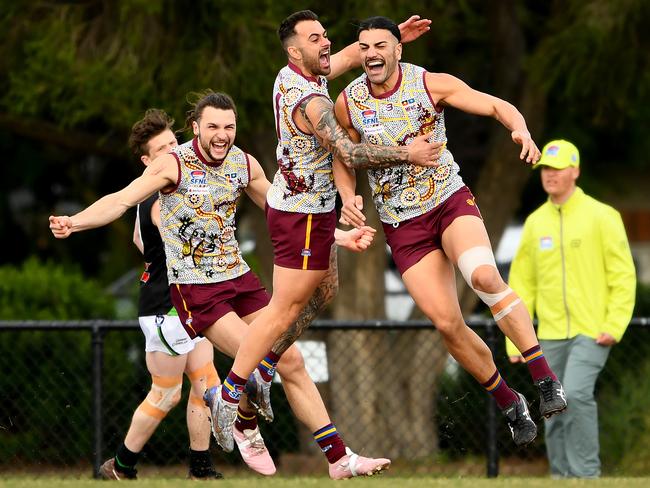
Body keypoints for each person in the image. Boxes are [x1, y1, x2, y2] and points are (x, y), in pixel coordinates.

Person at [50, 91, 390, 479]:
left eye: (229, 127)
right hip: (196, 289)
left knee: (289, 359)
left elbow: (285, 212)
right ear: (195, 128)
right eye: (212, 126)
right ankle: (244, 423)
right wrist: (75, 222)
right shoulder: (172, 165)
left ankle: (339, 459)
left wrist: (338, 237)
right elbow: (121, 200)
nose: (222, 134)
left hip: (239, 278)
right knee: (258, 358)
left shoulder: (244, 163)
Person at [210, 10, 442, 460]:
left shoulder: (299, 69)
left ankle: (261, 371)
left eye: (325, 36)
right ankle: (230, 392)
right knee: (282, 309)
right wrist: (409, 152)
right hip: (299, 214)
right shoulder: (310, 101)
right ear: (295, 50)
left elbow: (347, 59)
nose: (326, 44)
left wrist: (396, 41)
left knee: (325, 290)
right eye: (316, 38)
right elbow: (351, 151)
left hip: (312, 208)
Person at [332, 16, 568, 447]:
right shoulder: (347, 102)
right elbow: (343, 155)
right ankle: (510, 401)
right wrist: (347, 194)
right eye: (364, 47)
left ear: (398, 50)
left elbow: (496, 104)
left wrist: (519, 128)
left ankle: (545, 379)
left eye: (380, 45)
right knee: (445, 323)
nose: (371, 54)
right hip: (403, 226)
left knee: (482, 275)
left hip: (447, 201)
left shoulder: (428, 84)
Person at [98, 109, 222, 480]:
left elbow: (141, 241)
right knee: (166, 394)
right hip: (165, 309)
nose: (173, 151)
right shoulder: (158, 198)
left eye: (174, 143)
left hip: (188, 301)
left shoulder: (167, 187)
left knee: (206, 385)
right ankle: (121, 465)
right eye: (163, 148)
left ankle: (201, 467)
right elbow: (177, 233)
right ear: (147, 161)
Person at [506, 140, 636, 477]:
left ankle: (587, 476)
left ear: (575, 171)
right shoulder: (535, 223)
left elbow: (623, 275)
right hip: (548, 335)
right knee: (554, 406)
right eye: (545, 169)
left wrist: (615, 322)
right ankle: (561, 478)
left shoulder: (603, 216)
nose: (549, 175)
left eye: (557, 168)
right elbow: (522, 285)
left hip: (592, 330)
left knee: (575, 394)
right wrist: (516, 340)